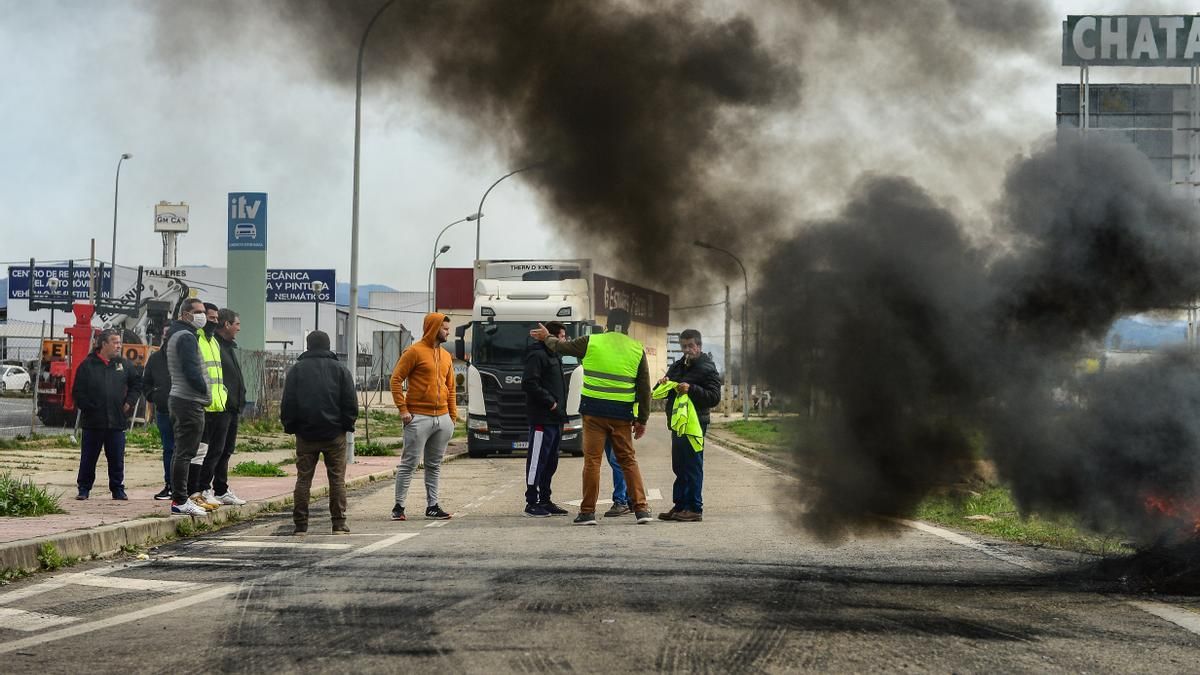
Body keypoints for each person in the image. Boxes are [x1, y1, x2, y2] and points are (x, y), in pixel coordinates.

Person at [530, 308, 653, 525]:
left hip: (594, 413)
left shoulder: (592, 341)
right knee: (628, 460)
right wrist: (642, 419)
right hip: (622, 414)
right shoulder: (636, 349)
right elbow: (644, 389)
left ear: (607, 324)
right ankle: (642, 510)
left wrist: (546, 337)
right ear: (627, 326)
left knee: (592, 462)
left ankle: (587, 512)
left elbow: (561, 346)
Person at [281, 330, 357, 535]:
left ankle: (300, 525)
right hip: (335, 434)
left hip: (305, 434)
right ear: (328, 345)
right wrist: (347, 425)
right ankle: (339, 523)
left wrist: (290, 426)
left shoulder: (297, 370)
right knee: (337, 479)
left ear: (308, 346)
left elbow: (288, 401)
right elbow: (350, 401)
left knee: (303, 479)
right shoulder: (340, 370)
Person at [389, 312, 458, 521]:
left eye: (448, 329)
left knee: (434, 465)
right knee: (409, 463)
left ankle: (433, 506)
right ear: (433, 328)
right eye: (444, 328)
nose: (448, 332)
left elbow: (451, 388)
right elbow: (395, 380)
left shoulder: (446, 356)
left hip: (443, 419)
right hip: (418, 417)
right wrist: (403, 410)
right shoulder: (414, 352)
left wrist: (452, 418)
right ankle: (398, 507)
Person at [657, 329, 722, 523]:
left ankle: (694, 508)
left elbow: (714, 397)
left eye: (690, 346)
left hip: (695, 424)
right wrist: (664, 383)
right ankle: (680, 506)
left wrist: (691, 389)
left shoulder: (708, 367)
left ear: (699, 346)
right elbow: (663, 391)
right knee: (679, 466)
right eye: (683, 346)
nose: (687, 350)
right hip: (678, 424)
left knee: (693, 465)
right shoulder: (677, 366)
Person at [72, 329, 141, 500]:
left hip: (116, 421)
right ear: (104, 344)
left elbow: (137, 384)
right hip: (93, 422)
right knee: (88, 458)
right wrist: (89, 407)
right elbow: (78, 392)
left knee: (117, 459)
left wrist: (129, 402)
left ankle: (117, 489)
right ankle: (84, 489)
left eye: (119, 342)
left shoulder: (123, 364)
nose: (119, 346)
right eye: (115, 342)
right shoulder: (88, 365)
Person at [165, 298, 214, 517]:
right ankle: (181, 500)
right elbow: (191, 371)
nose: (202, 315)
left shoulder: (179, 334)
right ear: (186, 314)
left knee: (182, 451)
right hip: (188, 401)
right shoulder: (186, 337)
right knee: (186, 452)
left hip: (181, 399)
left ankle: (180, 498)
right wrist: (204, 390)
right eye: (198, 311)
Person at [196, 308, 247, 506]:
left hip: (231, 407)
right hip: (217, 407)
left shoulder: (227, 347)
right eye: (237, 324)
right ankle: (205, 487)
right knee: (213, 451)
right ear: (227, 325)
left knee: (225, 450)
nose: (239, 329)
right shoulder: (212, 343)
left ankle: (221, 488)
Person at [521, 320, 569, 517]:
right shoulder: (537, 354)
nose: (565, 340)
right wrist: (551, 402)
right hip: (542, 417)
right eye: (563, 336)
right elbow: (529, 383)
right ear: (554, 336)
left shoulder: (555, 355)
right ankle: (531, 502)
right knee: (537, 461)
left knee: (551, 462)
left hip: (555, 419)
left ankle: (545, 500)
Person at [187, 302, 228, 508]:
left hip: (218, 405)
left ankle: (204, 488)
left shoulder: (215, 342)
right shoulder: (196, 340)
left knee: (215, 452)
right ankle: (195, 491)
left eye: (215, 318)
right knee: (199, 452)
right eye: (210, 318)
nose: (213, 321)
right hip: (203, 406)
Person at [142, 327, 173, 500]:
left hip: (185, 410)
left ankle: (188, 486)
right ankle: (170, 485)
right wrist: (155, 396)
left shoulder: (185, 356)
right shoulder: (155, 359)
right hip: (164, 411)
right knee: (169, 449)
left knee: (186, 450)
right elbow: (146, 383)